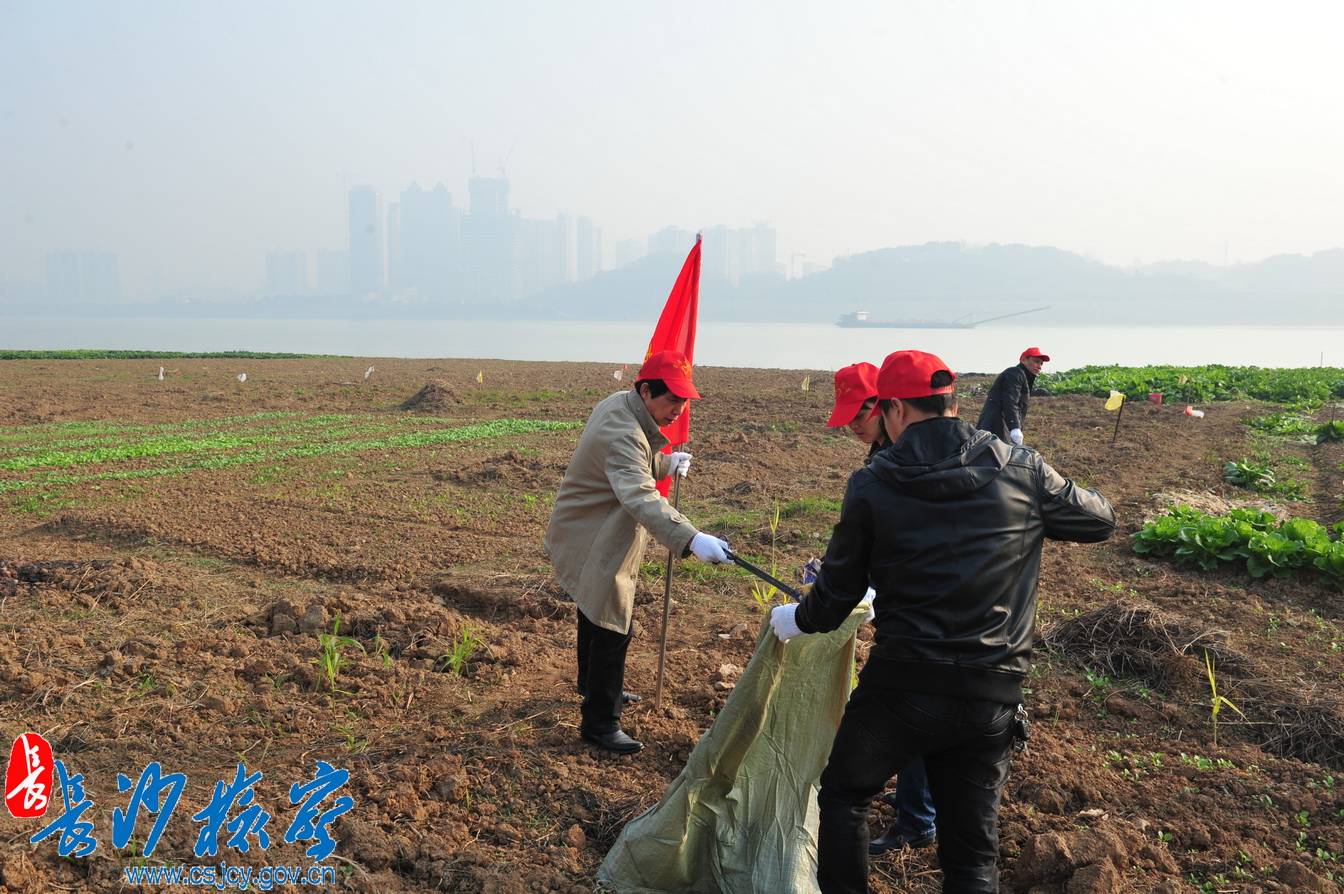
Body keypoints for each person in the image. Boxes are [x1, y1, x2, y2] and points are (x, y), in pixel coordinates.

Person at [773, 349, 1115, 893]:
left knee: (844, 795)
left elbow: (836, 596)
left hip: (903, 684)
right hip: (991, 692)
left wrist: (799, 617)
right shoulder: (1022, 469)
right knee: (972, 855)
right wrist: (1032, 485)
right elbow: (1100, 520)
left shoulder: (873, 482)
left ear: (895, 409)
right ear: (953, 402)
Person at [545, 349, 732, 755]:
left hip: (586, 526)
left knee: (593, 611)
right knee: (613, 625)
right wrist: (691, 538)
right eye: (672, 400)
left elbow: (633, 462)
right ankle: (600, 722)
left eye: (685, 401)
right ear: (646, 391)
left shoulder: (621, 404)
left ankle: (592, 685)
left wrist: (664, 463)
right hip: (594, 536)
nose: (679, 410)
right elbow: (640, 495)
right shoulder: (624, 432)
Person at [827, 363, 937, 855]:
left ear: (887, 405)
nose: (852, 425)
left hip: (921, 613)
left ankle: (917, 820)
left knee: (909, 708)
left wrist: (871, 585)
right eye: (847, 417)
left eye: (859, 414)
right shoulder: (884, 455)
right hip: (907, 604)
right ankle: (917, 802)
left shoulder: (906, 459)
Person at [975, 347, 1049, 446]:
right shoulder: (1015, 373)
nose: (1039, 366)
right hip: (997, 425)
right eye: (1036, 361)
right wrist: (1015, 427)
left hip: (1001, 425)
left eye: (1041, 363)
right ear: (1023, 360)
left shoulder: (1024, 378)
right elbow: (1010, 399)